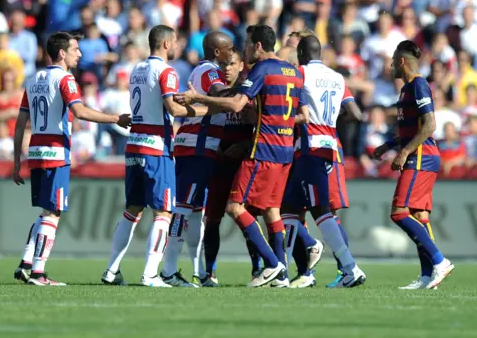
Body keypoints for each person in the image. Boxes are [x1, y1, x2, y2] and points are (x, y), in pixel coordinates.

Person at [175, 24, 308, 287]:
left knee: (237, 208)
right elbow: (303, 114)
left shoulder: (260, 71)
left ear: (258, 46)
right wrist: (263, 116)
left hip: (261, 150)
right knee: (271, 211)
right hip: (283, 151)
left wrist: (196, 97)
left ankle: (273, 265)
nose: (244, 50)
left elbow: (235, 103)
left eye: (247, 44)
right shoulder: (293, 72)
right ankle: (276, 273)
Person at [12, 32, 131, 286]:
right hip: (56, 151)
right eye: (75, 49)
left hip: (35, 151)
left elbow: (20, 123)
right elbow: (79, 111)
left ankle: (26, 263)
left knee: (46, 211)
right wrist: (115, 119)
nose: (80, 53)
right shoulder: (65, 78)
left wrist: (15, 161)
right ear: (62, 53)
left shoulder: (32, 80)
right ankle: (38, 273)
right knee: (53, 214)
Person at [101, 25, 210, 287]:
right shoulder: (167, 71)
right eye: (175, 42)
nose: (177, 47)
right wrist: (206, 109)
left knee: (132, 211)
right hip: (156, 148)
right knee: (163, 213)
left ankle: (111, 270)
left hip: (134, 144)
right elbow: (172, 108)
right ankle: (151, 274)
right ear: (165, 44)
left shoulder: (136, 69)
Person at [281, 35, 366, 288]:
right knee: (287, 209)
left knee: (320, 211)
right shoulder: (338, 78)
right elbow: (356, 114)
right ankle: (291, 271)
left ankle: (351, 268)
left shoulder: (301, 74)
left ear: (302, 54)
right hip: (328, 146)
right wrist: (330, 123)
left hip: (310, 148)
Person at [372, 40, 454, 290]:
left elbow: (430, 125)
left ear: (401, 61)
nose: (390, 65)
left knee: (398, 212)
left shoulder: (418, 85)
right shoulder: (407, 89)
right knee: (420, 216)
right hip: (419, 153)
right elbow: (412, 129)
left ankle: (440, 261)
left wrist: (405, 151)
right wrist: (390, 145)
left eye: (392, 60)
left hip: (421, 156)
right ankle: (428, 275)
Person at [160, 31, 234, 287]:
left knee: (195, 212)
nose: (232, 53)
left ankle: (199, 271)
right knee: (183, 207)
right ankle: (168, 270)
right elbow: (223, 96)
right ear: (217, 51)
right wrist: (243, 92)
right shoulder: (209, 71)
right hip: (197, 145)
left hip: (199, 145)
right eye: (229, 49)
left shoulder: (202, 70)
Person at [202, 48, 254, 286]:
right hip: (218, 162)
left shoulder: (250, 92)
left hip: (242, 164)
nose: (226, 68)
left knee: (246, 217)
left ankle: (259, 270)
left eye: (231, 63)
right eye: (223, 64)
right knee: (211, 219)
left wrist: (244, 145)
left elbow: (263, 128)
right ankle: (209, 272)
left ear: (241, 65)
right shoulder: (214, 94)